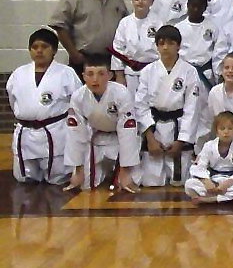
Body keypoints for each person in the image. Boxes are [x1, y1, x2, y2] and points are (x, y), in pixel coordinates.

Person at [7, 29, 81, 184]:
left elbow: (78, 103)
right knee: (24, 180)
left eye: (44, 46)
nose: (39, 51)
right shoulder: (18, 74)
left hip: (55, 133)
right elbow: (13, 102)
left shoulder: (66, 73)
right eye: (34, 47)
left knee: (58, 180)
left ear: (54, 50)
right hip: (26, 134)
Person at [134, 25, 200, 187]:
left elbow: (192, 109)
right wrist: (150, 138)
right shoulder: (148, 71)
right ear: (156, 46)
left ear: (178, 46)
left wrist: (181, 140)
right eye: (161, 43)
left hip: (177, 128)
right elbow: (140, 105)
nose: (165, 47)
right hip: (154, 127)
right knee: (151, 182)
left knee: (180, 182)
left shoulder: (189, 72)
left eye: (170, 43)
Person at [64, 54, 139, 192]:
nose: (95, 79)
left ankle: (119, 172)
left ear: (110, 75)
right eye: (90, 74)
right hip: (95, 140)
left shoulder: (121, 94)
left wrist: (125, 170)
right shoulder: (78, 96)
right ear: (83, 76)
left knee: (131, 181)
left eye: (101, 74)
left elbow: (127, 132)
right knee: (85, 184)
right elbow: (75, 133)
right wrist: (77, 170)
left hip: (119, 139)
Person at [49, 0, 128, 76]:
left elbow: (126, 26)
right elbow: (59, 26)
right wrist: (74, 53)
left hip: (112, 61)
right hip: (83, 60)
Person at [185, 111, 233, 204]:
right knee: (189, 184)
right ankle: (230, 197)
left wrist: (229, 183)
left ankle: (213, 199)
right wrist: (206, 181)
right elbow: (199, 166)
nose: (226, 132)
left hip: (232, 182)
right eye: (222, 129)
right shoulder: (209, 146)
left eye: (230, 128)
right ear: (216, 131)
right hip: (213, 181)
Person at [109, 0, 161, 99]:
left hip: (153, 70)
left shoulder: (159, 22)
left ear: (152, 1)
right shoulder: (125, 22)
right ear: (132, 1)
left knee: (151, 102)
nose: (140, 2)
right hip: (131, 72)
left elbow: (162, 50)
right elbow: (118, 49)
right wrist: (119, 75)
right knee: (131, 103)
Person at [175, 0, 217, 92]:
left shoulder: (212, 27)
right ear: (187, 5)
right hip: (184, 71)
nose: (195, 9)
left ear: (205, 8)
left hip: (205, 72)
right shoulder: (178, 28)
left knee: (205, 104)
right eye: (193, 6)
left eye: (199, 7)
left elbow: (217, 51)